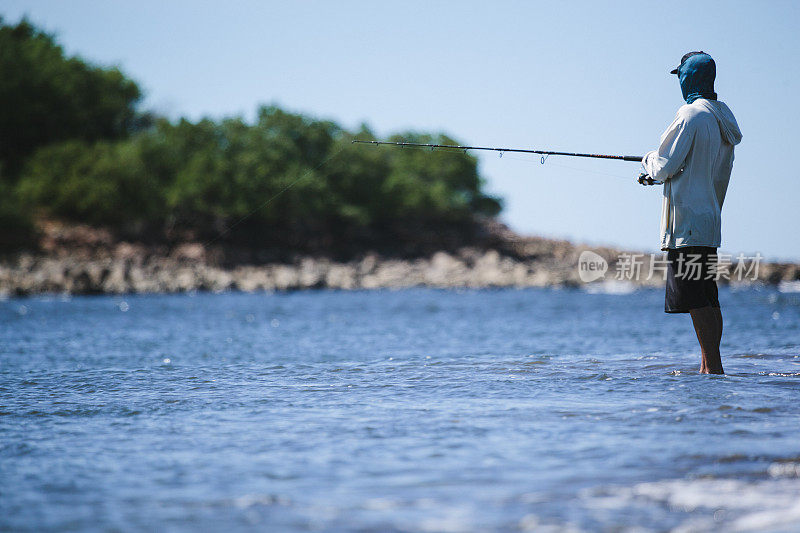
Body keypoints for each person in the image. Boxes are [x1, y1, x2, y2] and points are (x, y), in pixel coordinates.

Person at [640, 52, 742, 374]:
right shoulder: (722, 118)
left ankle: (713, 368)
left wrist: (647, 163)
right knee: (709, 298)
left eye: (680, 76)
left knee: (697, 301)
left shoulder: (690, 115)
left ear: (688, 77)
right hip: (709, 222)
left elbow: (664, 165)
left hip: (686, 226)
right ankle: (708, 367)